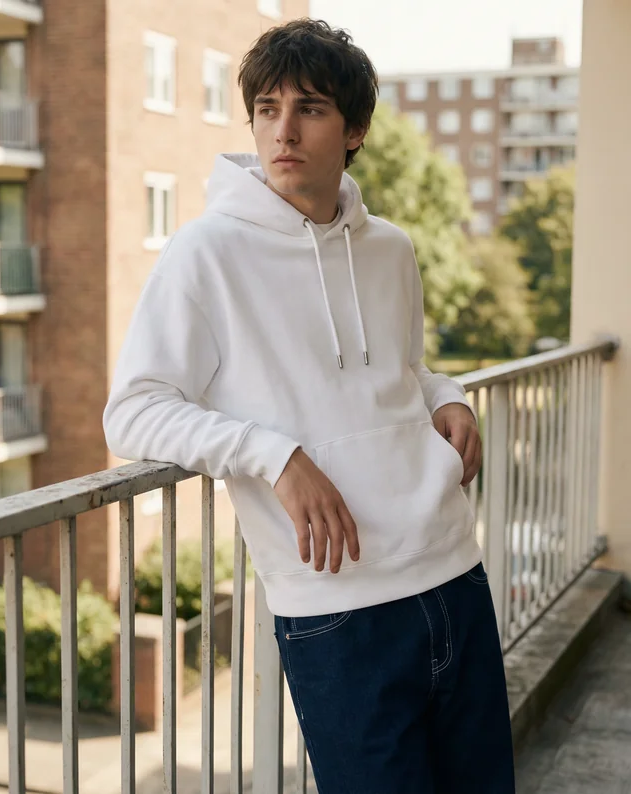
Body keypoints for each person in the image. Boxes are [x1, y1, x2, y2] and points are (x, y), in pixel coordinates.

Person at [103, 18, 515, 794]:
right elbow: (132, 410)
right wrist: (276, 456)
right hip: (336, 606)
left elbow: (399, 369)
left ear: (354, 129)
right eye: (267, 108)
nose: (282, 130)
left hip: (454, 573)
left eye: (311, 109)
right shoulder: (207, 252)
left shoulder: (389, 247)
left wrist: (448, 396)